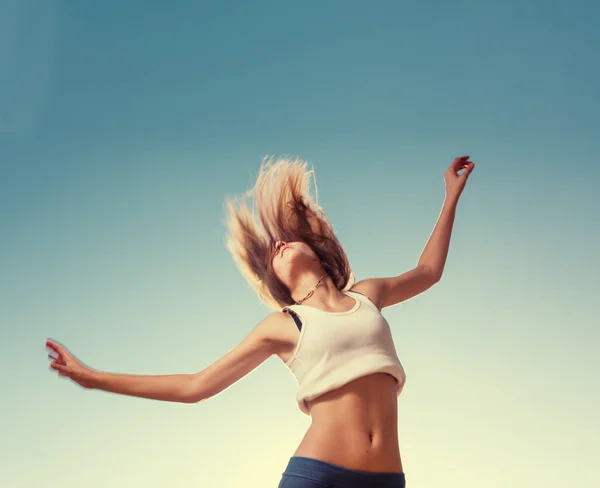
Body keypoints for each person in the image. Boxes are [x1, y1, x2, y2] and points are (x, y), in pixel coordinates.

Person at [46, 155, 475, 487]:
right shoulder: (284, 324)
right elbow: (196, 386)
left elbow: (428, 272)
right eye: (273, 251)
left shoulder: (368, 295)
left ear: (316, 250)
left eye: (287, 240)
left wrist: (450, 196)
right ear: (278, 283)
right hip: (317, 475)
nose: (281, 245)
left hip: (386, 479)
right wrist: (94, 378)